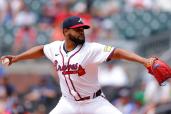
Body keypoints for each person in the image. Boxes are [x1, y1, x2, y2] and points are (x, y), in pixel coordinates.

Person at [1, 16, 155, 114]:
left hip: (94, 102)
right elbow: (41, 50)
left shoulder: (91, 49)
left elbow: (118, 52)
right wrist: (16, 58)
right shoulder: (55, 48)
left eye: (82, 29)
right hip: (68, 103)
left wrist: (144, 61)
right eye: (77, 30)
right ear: (66, 31)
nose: (81, 32)